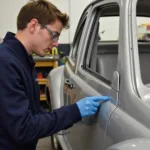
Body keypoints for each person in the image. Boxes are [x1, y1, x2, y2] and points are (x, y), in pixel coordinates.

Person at [0, 0, 109, 150]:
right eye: (54, 35)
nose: (56, 43)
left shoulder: (23, 59)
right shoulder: (5, 63)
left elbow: (34, 113)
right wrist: (74, 111)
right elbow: (23, 129)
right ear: (33, 26)